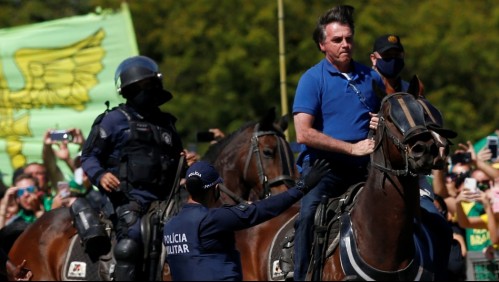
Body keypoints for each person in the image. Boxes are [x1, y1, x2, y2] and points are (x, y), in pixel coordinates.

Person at [291, 5, 384, 280]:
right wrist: (351, 148)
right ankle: (301, 275)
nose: (345, 44)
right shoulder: (311, 79)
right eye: (337, 40)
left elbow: (393, 113)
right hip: (324, 168)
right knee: (308, 214)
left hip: (368, 167)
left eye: (348, 38)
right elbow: (303, 134)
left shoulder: (371, 76)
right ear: (322, 45)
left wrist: (382, 122)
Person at [81, 55, 185, 281]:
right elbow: (88, 156)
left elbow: (178, 160)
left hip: (166, 202)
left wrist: (188, 163)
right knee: (131, 242)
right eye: (139, 87)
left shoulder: (167, 123)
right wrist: (101, 175)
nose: (145, 91)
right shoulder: (113, 120)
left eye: (149, 85)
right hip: (127, 201)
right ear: (128, 91)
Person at [163, 160, 330, 281]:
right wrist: (301, 187)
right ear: (215, 189)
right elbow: (260, 211)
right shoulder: (211, 219)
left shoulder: (170, 226)